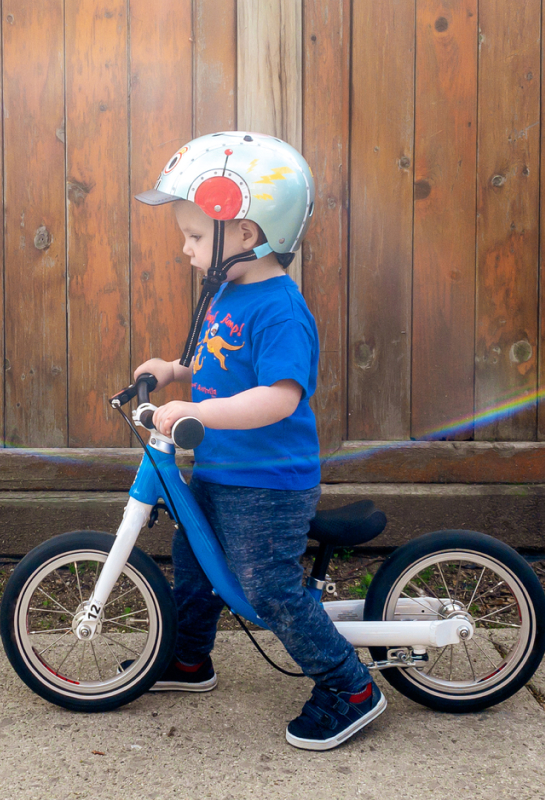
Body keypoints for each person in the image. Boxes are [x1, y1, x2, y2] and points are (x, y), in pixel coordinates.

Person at [131, 132, 385, 751]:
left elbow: (278, 397)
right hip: (221, 466)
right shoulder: (228, 292)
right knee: (193, 564)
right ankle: (190, 658)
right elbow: (219, 365)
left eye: (195, 236)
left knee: (267, 588)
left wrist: (194, 411)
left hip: (269, 480)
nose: (186, 250)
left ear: (247, 233)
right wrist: (172, 370)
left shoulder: (280, 310)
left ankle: (350, 688)